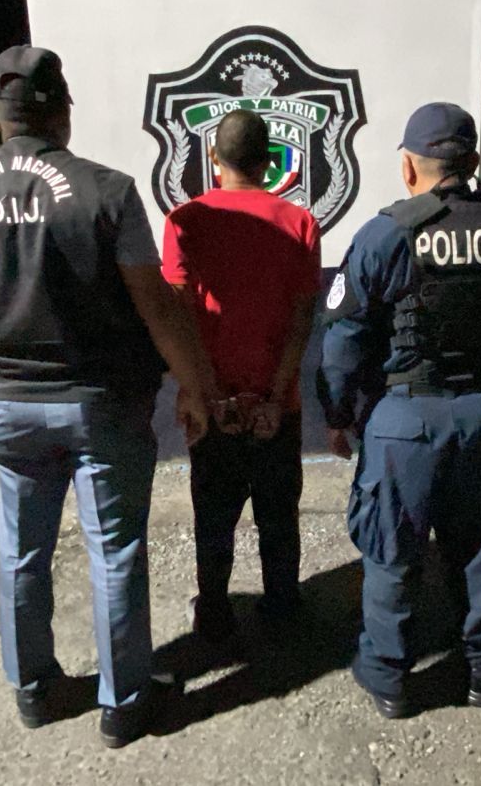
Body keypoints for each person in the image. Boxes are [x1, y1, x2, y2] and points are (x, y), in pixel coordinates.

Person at [0, 46, 216, 749]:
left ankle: (34, 691)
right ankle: (124, 705)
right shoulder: (108, 193)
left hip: (8, 404)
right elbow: (154, 303)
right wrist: (194, 384)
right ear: (63, 113)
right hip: (99, 403)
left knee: (21, 551)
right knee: (114, 553)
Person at [317, 102, 481, 718]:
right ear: (474, 161)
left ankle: (389, 679)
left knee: (392, 551)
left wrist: (338, 415)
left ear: (409, 167)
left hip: (406, 419)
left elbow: (343, 342)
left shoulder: (386, 234)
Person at [160, 109, 322, 642]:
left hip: (213, 406)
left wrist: (207, 394)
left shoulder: (184, 220)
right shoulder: (299, 222)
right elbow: (302, 319)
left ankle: (213, 613)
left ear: (213, 157)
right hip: (279, 404)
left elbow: (180, 312)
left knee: (213, 517)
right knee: (279, 515)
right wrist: (274, 398)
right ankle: (282, 609)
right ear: (269, 161)